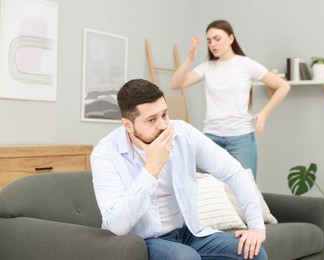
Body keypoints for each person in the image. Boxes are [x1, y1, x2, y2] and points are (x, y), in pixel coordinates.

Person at [91, 78, 268, 260]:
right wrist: (152, 167)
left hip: (188, 233)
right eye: (151, 120)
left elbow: (233, 171)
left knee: (254, 253)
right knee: (185, 258)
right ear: (128, 125)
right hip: (143, 240)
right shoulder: (105, 154)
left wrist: (256, 226)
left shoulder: (183, 134)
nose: (163, 125)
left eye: (165, 115)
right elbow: (116, 225)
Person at [171, 20, 290, 179]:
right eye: (209, 40)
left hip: (241, 137)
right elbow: (176, 84)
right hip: (211, 138)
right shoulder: (207, 67)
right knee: (211, 192)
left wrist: (264, 113)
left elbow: (283, 86)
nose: (213, 44)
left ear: (231, 38)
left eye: (217, 39)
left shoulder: (246, 65)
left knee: (246, 189)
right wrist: (190, 58)